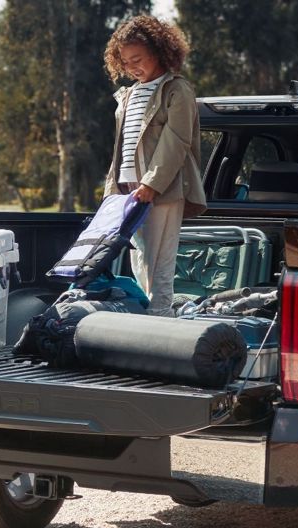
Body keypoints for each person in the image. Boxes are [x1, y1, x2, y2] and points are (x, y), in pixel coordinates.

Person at [102, 15, 206, 317]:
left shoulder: (177, 90)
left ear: (159, 51)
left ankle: (159, 319)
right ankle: (149, 318)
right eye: (126, 62)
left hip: (161, 189)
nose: (133, 67)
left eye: (138, 59)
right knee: (140, 257)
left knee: (159, 260)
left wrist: (152, 183)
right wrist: (114, 189)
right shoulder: (129, 93)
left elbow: (176, 141)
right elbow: (121, 146)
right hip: (128, 191)